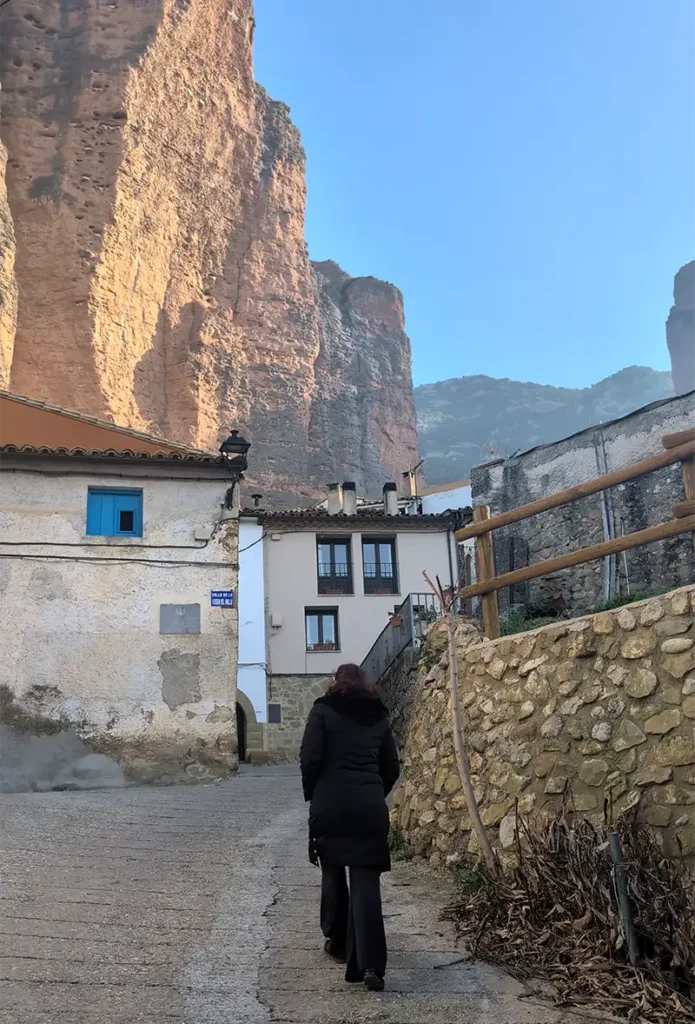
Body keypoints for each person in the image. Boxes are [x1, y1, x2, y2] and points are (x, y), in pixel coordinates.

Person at [300, 663, 400, 992]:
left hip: (331, 802)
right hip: (369, 805)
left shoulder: (322, 710)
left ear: (335, 683)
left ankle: (338, 943)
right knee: (366, 880)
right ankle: (371, 964)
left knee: (332, 871)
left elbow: (310, 756)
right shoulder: (379, 715)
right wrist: (374, 791)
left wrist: (313, 791)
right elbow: (391, 766)